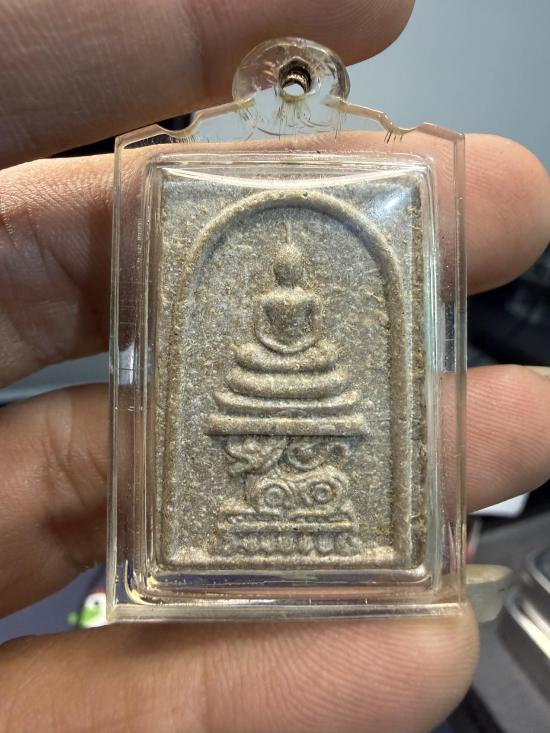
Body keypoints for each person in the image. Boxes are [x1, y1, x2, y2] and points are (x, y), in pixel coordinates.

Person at [0, 1, 549, 731]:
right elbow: (259, 338)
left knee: (327, 389)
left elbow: (313, 339)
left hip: (310, 375)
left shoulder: (358, 244)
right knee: (245, 391)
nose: (288, 280)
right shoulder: (211, 233)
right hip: (261, 376)